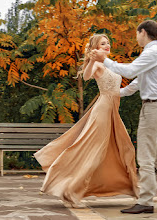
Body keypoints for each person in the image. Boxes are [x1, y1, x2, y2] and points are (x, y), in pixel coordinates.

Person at [34, 34, 138, 208]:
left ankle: (129, 187)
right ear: (95, 48)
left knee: (121, 148)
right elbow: (87, 76)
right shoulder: (97, 64)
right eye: (102, 44)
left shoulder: (111, 64)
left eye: (108, 43)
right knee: (94, 151)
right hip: (103, 110)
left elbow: (120, 86)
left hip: (113, 111)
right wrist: (91, 59)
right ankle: (70, 190)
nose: (107, 45)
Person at [91, 20, 157, 214]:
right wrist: (117, 93)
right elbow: (138, 82)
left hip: (153, 109)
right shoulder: (152, 53)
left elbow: (130, 71)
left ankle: (145, 201)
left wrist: (104, 59)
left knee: (146, 158)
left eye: (136, 33)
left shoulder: (151, 52)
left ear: (142, 32)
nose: (136, 37)